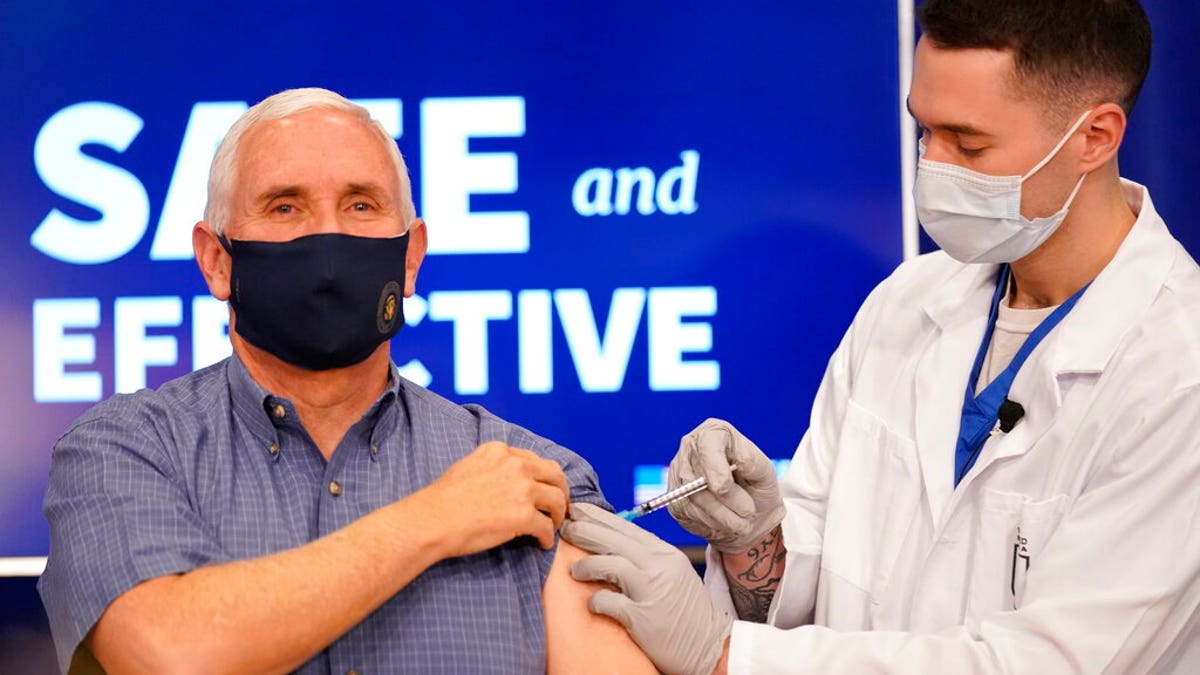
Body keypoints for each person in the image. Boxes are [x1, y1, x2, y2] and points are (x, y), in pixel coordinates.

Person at [560, 1, 1200, 673]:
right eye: (923, 131)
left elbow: (1046, 661)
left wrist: (723, 653)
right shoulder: (909, 302)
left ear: (1095, 136)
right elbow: (827, 580)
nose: (934, 165)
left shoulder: (1176, 373)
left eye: (968, 143)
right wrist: (756, 542)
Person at [38, 88, 655, 675]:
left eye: (361, 205)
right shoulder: (128, 450)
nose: (326, 241)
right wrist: (433, 520)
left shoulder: (530, 478)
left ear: (410, 257)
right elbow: (165, 654)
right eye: (286, 206)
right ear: (217, 261)